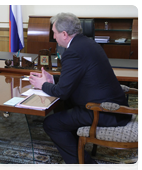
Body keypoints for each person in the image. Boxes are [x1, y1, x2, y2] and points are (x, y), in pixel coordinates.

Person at [29, 12, 132, 170]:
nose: (54, 37)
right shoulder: (88, 44)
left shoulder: (73, 52)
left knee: (51, 123)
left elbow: (63, 92)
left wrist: (42, 85)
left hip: (103, 111)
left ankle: (86, 165)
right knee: (61, 112)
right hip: (114, 106)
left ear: (64, 34)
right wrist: (52, 80)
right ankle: (77, 153)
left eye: (55, 33)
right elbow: (77, 78)